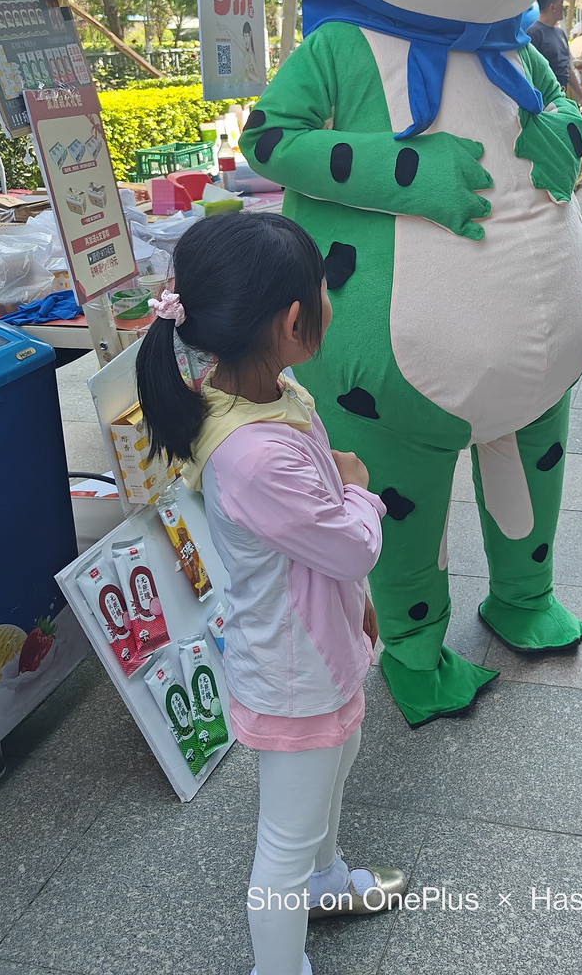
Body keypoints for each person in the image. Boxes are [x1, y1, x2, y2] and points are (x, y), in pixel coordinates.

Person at [135, 213, 405, 975]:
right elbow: (350, 539)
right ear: (294, 320)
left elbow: (324, 547)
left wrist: (357, 608)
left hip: (321, 645)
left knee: (337, 767)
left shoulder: (263, 390)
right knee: (282, 843)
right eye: (323, 293)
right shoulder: (253, 455)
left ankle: (326, 881)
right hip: (296, 672)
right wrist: (358, 489)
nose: (327, 303)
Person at [527, 0, 582, 116]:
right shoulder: (534, 33)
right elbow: (530, 71)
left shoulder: (560, 33)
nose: (564, 7)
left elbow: (567, 67)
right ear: (552, 7)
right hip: (546, 98)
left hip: (563, 93)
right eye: (561, 3)